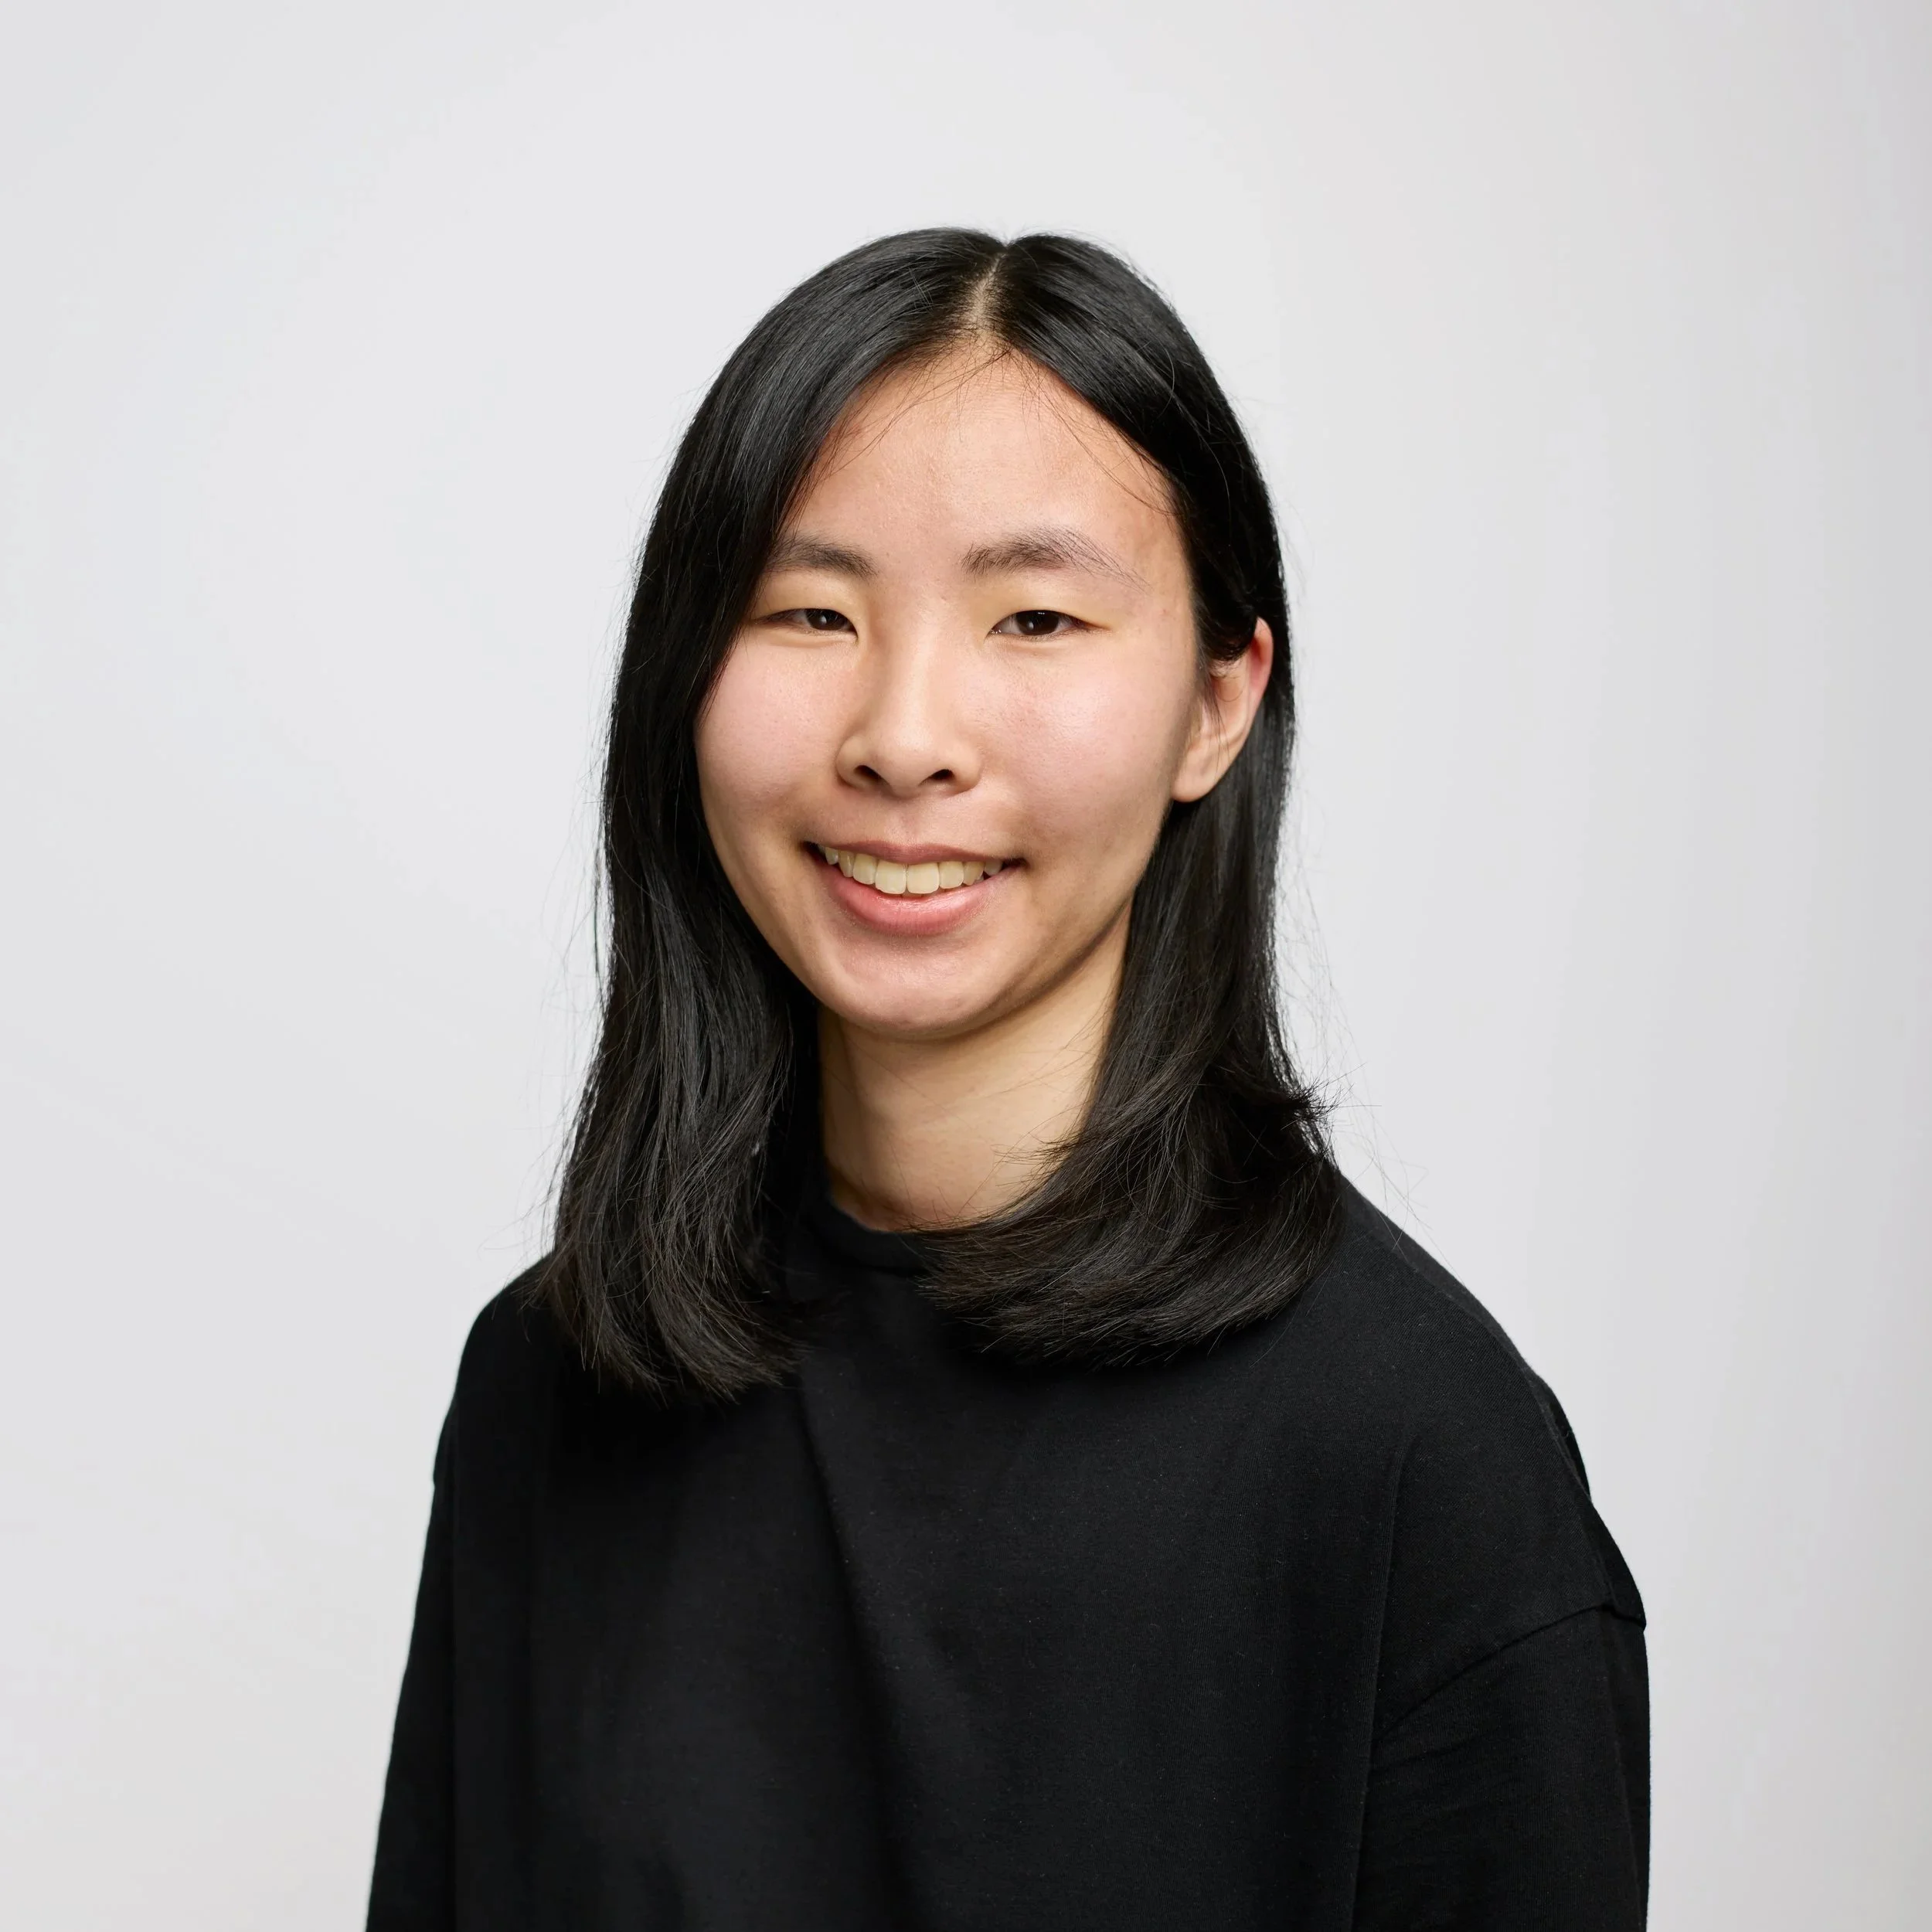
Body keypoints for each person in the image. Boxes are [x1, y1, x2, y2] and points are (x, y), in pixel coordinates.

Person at [366, 230, 1648, 1930]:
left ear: (1215, 702)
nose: (903, 733)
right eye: (808, 609)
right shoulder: (548, 1383)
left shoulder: (1418, 1464)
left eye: (1033, 615)